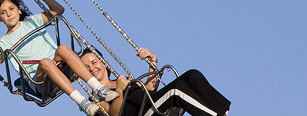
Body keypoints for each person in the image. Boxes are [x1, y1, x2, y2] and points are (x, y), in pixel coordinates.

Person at [0, 0, 119, 116]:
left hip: (59, 65)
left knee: (62, 48)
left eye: (11, 9)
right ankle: (82, 102)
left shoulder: (31, 21)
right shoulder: (3, 41)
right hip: (39, 80)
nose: (9, 14)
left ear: (18, 10)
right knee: (45, 62)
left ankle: (97, 87)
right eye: (3, 13)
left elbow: (59, 10)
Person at [81, 46, 231, 116]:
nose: (92, 68)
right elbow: (113, 114)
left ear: (103, 63)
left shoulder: (123, 80)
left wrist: (152, 62)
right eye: (86, 67)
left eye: (94, 62)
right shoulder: (95, 97)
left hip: (152, 105)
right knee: (176, 90)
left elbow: (150, 90)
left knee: (192, 75)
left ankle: (222, 112)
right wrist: (119, 91)